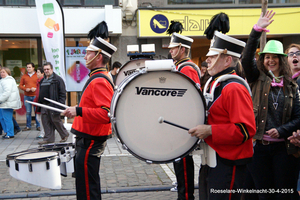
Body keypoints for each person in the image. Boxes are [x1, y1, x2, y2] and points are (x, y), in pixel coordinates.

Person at [188, 30, 256, 200]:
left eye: (213, 55)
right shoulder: (215, 83)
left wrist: (210, 130)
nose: (207, 59)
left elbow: (245, 130)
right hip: (213, 158)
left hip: (228, 161)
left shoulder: (233, 87)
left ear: (227, 60)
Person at [241, 10, 300, 199]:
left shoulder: (291, 85)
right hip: (259, 148)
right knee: (265, 195)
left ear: (281, 60)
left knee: (284, 194)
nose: (271, 60)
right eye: (267, 57)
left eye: (275, 57)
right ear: (263, 59)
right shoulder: (256, 78)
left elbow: (299, 117)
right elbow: (246, 57)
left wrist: (282, 130)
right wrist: (257, 30)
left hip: (284, 150)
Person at [63, 21, 117, 200]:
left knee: (87, 188)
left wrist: (78, 111)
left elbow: (106, 114)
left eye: (88, 53)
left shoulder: (100, 80)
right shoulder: (97, 76)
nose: (85, 56)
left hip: (91, 140)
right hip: (87, 138)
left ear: (99, 56)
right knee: (86, 184)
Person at [168, 32, 201, 200]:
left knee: (183, 166)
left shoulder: (186, 68)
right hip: (179, 121)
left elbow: (189, 98)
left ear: (182, 49)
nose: (170, 49)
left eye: (173, 47)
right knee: (179, 166)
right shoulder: (180, 66)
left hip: (183, 123)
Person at [37, 62, 69, 145]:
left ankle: (64, 134)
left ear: (52, 69)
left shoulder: (57, 80)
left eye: (48, 69)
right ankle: (48, 138)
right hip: (44, 104)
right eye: (45, 69)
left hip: (54, 104)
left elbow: (62, 93)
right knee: (45, 121)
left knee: (55, 120)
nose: (46, 71)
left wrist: (60, 105)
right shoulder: (43, 80)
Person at [0, 67, 22, 139]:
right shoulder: (4, 80)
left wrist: (0, 99)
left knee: (7, 119)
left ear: (8, 73)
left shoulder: (7, 80)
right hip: (5, 103)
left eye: (4, 72)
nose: (2, 73)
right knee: (3, 118)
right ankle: (7, 132)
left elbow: (7, 92)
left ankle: (10, 133)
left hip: (7, 103)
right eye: (1, 72)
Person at [19, 62, 40, 131]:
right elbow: (20, 85)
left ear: (33, 68)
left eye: (29, 67)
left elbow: (40, 84)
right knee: (28, 112)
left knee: (36, 111)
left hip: (35, 96)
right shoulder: (24, 76)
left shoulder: (37, 75)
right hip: (27, 96)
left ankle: (38, 125)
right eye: (27, 67)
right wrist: (25, 89)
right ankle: (28, 126)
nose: (28, 68)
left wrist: (36, 88)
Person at [34, 67, 45, 139]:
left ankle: (43, 133)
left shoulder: (43, 81)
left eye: (38, 72)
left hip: (41, 102)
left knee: (41, 119)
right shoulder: (38, 81)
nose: (36, 74)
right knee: (39, 118)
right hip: (38, 101)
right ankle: (43, 132)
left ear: (42, 73)